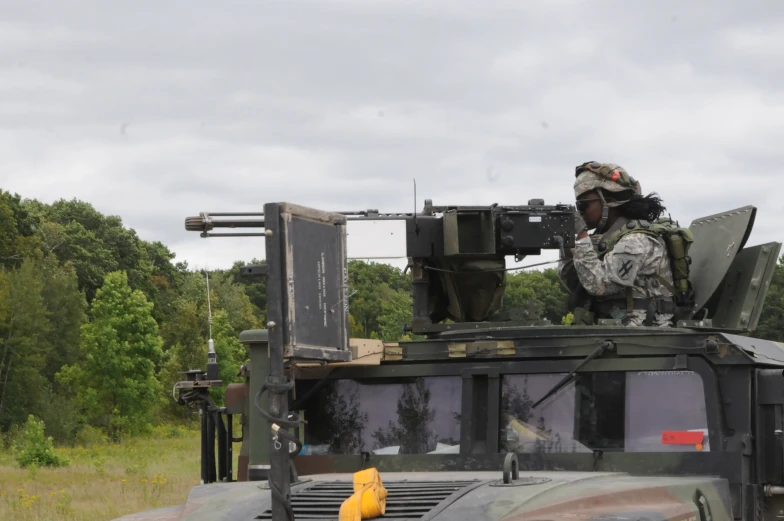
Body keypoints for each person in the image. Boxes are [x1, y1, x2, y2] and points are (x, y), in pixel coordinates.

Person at [558, 161, 679, 327]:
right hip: (616, 335)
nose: (580, 212)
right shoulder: (609, 240)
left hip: (643, 336)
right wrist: (567, 244)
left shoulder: (636, 240)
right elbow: (578, 284)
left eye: (583, 204)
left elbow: (599, 286)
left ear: (608, 201)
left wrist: (581, 236)